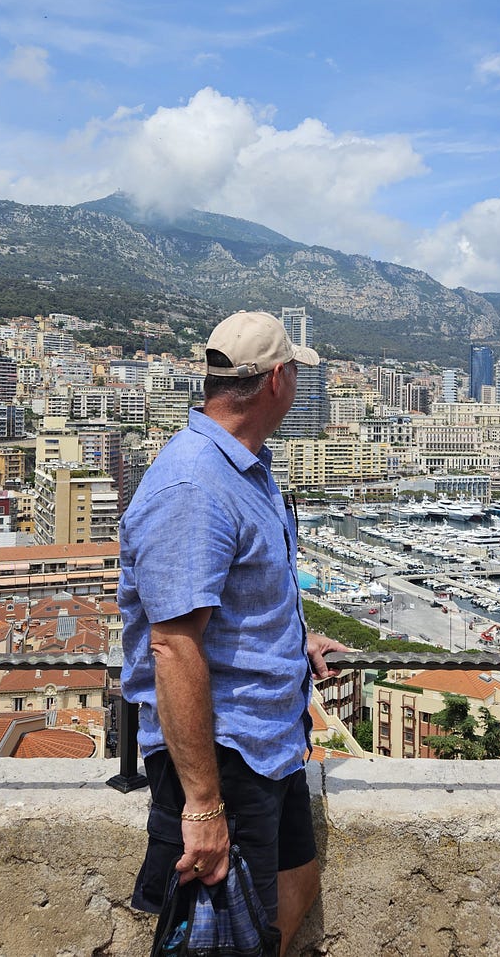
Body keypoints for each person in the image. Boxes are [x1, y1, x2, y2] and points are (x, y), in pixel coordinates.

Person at [119, 310, 348, 954]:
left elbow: (234, 600)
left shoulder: (247, 467)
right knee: (221, 937)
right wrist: (203, 805)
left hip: (271, 743)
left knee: (287, 897)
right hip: (225, 754)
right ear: (278, 380)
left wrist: (291, 640)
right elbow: (173, 644)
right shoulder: (194, 483)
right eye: (297, 371)